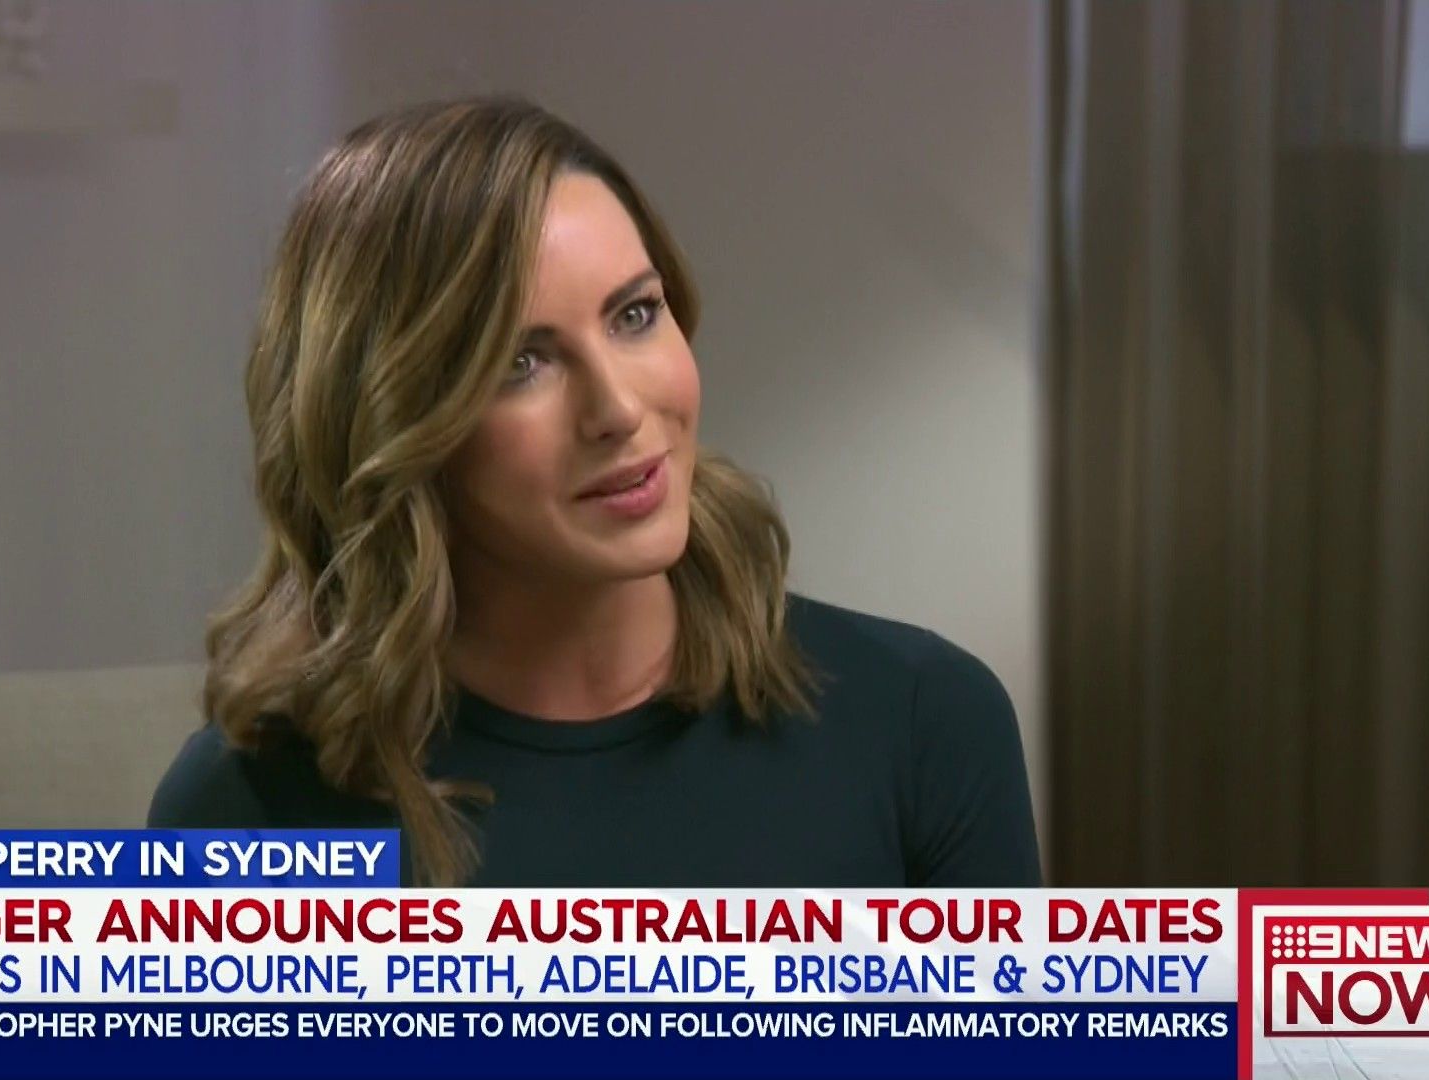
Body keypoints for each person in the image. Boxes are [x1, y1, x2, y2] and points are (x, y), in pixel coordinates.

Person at [148, 96, 1041, 888]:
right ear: (393, 425)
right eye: (520, 362)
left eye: (635, 315)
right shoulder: (241, 813)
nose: (618, 409)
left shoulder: (923, 723)